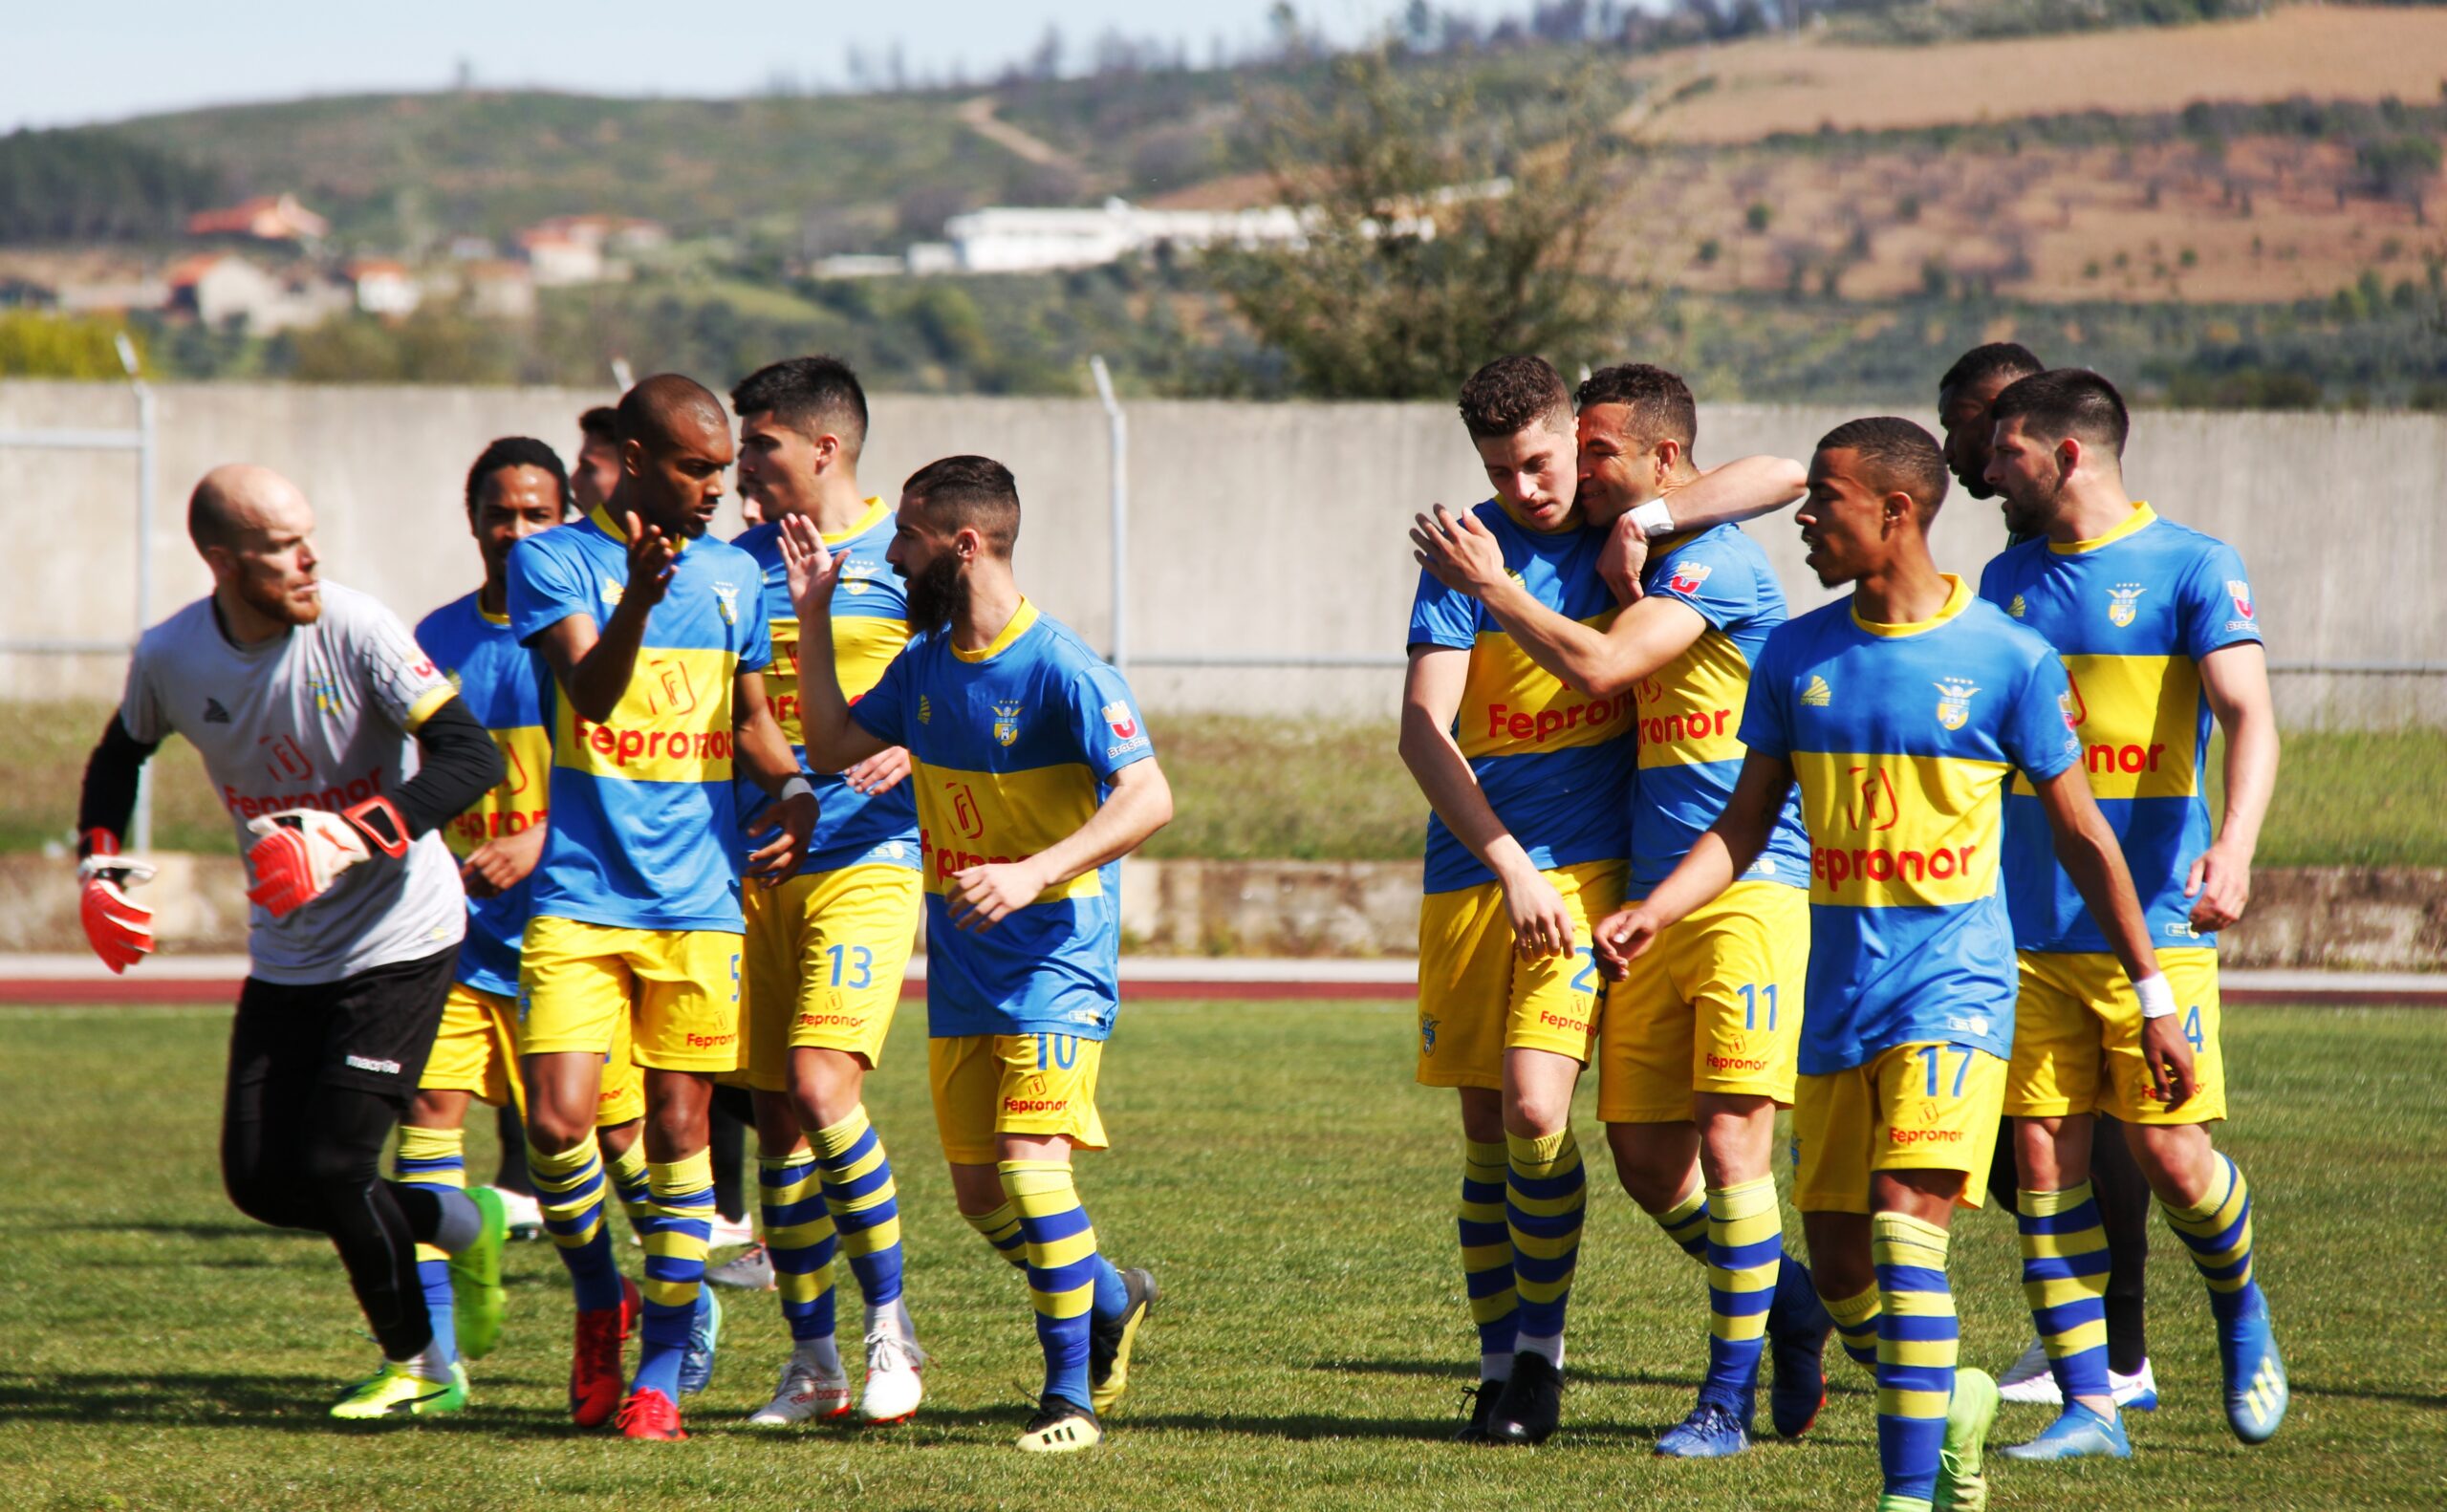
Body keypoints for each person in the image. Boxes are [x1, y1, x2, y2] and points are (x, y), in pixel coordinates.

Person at [1596, 417, 2176, 1512]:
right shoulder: (1796, 655)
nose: (1804, 519)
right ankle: (1947, 1392)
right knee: (1843, 1263)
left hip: (1953, 993)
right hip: (1836, 1001)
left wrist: (2154, 997)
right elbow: (1740, 823)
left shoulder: (2006, 657)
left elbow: (2087, 837)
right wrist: (1654, 912)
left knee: (1909, 1233)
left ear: (1895, 512)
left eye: (1825, 500)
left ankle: (1908, 1498)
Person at [1408, 362, 1833, 1458]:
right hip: (1500, 874)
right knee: (1540, 1144)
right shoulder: (1469, 551)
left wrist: (1637, 511)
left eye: (1555, 458)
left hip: (1619, 872)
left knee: (1540, 1114)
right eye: (1505, 468)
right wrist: (1503, 861)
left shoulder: (1648, 543)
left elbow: (1782, 470)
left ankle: (1551, 1368)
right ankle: (1523, 1362)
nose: (1540, 483)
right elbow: (1420, 730)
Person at [75, 463, 508, 1418]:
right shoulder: (171, 655)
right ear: (224, 562)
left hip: (404, 931)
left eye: (309, 536)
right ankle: (462, 1219)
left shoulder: (356, 626)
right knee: (263, 1182)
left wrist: (349, 836)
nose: (310, 558)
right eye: (281, 547)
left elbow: (475, 757)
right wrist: (97, 869)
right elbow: (119, 757)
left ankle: (424, 1367)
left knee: (334, 1165)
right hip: (288, 950)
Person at [779, 453, 1172, 1454]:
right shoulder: (922, 666)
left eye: (907, 535)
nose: (892, 550)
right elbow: (826, 746)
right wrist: (813, 617)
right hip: (963, 967)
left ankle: (1068, 1401)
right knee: (979, 1194)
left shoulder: (1064, 668)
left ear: (962, 545)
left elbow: (1149, 798)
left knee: (1033, 1173)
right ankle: (1109, 1296)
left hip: (1056, 957)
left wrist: (1036, 870)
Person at [505, 373, 818, 1441]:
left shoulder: (738, 576)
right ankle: (602, 1295)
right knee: (556, 1121)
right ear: (635, 459)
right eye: (694, 468)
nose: (716, 490)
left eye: (723, 471)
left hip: (696, 906)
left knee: (685, 1132)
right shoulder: (552, 557)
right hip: (582, 896)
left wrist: (794, 788)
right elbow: (589, 697)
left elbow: (752, 722)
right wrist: (639, 592)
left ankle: (664, 1372)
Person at [1980, 369, 2286, 1458]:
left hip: (2154, 922)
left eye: (2005, 451)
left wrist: (2234, 848)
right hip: (2024, 933)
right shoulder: (2001, 577)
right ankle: (2089, 1404)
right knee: (2043, 1163)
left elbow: (2248, 713)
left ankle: (2239, 1304)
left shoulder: (2193, 565)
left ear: (2066, 454)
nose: (1985, 469)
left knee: (2168, 1155)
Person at [406, 438, 675, 1397]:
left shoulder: (593, 632)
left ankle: (671, 1305)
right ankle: (430, 1362)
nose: (514, 531)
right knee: (425, 1131)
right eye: (498, 513)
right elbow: (419, 774)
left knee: (619, 1153)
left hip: (573, 929)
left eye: (534, 513)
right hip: (458, 938)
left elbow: (638, 764)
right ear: (472, 517)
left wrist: (542, 840)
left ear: (565, 514)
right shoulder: (432, 637)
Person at [1938, 343, 2160, 1412]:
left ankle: (2120, 1351)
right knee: (2031, 1136)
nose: (1959, 454)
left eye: (1970, 429)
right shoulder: (2007, 575)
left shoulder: (2153, 559)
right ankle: (2085, 1349)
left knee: (2120, 1137)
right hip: (2013, 892)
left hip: (2123, 892)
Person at [721, 356, 928, 1428]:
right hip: (752, 873)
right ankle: (813, 1363)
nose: (738, 464)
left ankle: (894, 1327)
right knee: (774, 1125)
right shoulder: (730, 567)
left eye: (757, 444)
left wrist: (919, 756)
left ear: (822, 447)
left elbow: (988, 682)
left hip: (867, 861)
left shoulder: (912, 555)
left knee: (816, 1084)